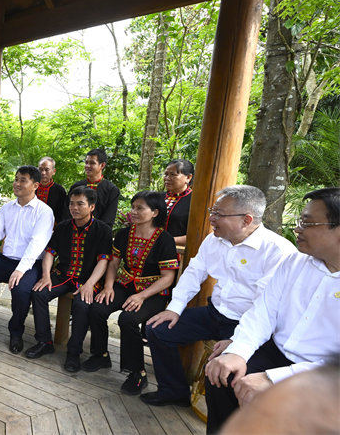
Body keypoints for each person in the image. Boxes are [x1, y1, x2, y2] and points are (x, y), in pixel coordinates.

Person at [141, 185, 298, 407]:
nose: (212, 218)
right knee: (157, 330)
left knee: (224, 370)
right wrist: (174, 308)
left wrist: (238, 342)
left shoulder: (278, 252)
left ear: (246, 219)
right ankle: (174, 391)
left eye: (219, 214)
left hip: (248, 325)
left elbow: (266, 308)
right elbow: (194, 272)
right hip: (214, 313)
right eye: (211, 211)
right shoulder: (214, 240)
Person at [204, 187, 340, 433]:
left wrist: (272, 379)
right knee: (222, 373)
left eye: (308, 223)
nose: (297, 229)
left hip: (325, 375)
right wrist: (238, 351)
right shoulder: (295, 262)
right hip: (275, 351)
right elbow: (263, 312)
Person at [85, 191, 179, 395]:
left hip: (153, 293)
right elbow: (114, 263)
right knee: (98, 308)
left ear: (154, 212)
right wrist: (109, 286)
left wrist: (141, 296)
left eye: (140, 208)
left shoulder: (164, 239)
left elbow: (168, 278)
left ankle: (138, 372)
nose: (133, 212)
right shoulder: (124, 233)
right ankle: (100, 354)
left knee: (127, 319)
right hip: (125, 284)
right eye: (133, 207)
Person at [0, 166, 54, 354]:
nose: (17, 183)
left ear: (35, 185)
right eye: (16, 179)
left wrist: (21, 269)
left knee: (21, 290)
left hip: (30, 265)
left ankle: (16, 332)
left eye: (23, 180)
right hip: (5, 261)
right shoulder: (7, 208)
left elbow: (37, 244)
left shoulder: (44, 212)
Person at [26, 187, 113, 370]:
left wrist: (90, 284)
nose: (74, 208)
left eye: (80, 204)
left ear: (91, 207)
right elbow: (50, 253)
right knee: (39, 292)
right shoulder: (64, 226)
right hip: (62, 276)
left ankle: (73, 353)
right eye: (72, 203)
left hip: (88, 279)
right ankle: (45, 342)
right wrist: (46, 275)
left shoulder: (103, 230)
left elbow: (103, 261)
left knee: (82, 305)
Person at [219, 357, 340, 434]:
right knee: (226, 375)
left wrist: (273, 377)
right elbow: (264, 316)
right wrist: (239, 352)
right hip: (274, 348)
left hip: (320, 372)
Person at [68, 148, 120, 228]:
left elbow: (109, 218)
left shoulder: (111, 189)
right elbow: (67, 213)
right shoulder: (76, 186)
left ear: (102, 165)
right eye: (86, 162)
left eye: (92, 163)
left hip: (99, 233)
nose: (87, 166)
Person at [162, 159, 194, 245]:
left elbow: (197, 234)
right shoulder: (158, 197)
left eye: (172, 174)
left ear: (188, 177)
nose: (167, 178)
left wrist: (168, 241)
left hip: (179, 253)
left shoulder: (195, 202)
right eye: (166, 174)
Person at [36, 157, 69, 225]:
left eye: (47, 170)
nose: (43, 173)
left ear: (54, 171)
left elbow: (63, 214)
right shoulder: (31, 187)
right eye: (40, 169)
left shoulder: (59, 190)